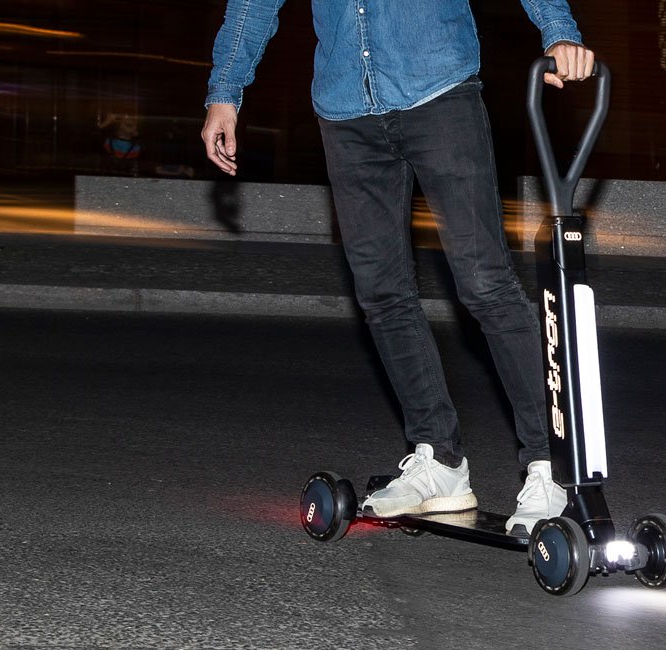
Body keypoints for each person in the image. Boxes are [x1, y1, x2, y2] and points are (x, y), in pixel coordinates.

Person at [200, 1, 597, 537]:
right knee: (383, 295)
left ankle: (550, 465)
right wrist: (225, 92)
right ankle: (440, 462)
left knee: (486, 284)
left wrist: (557, 31)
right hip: (346, 108)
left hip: (438, 90)